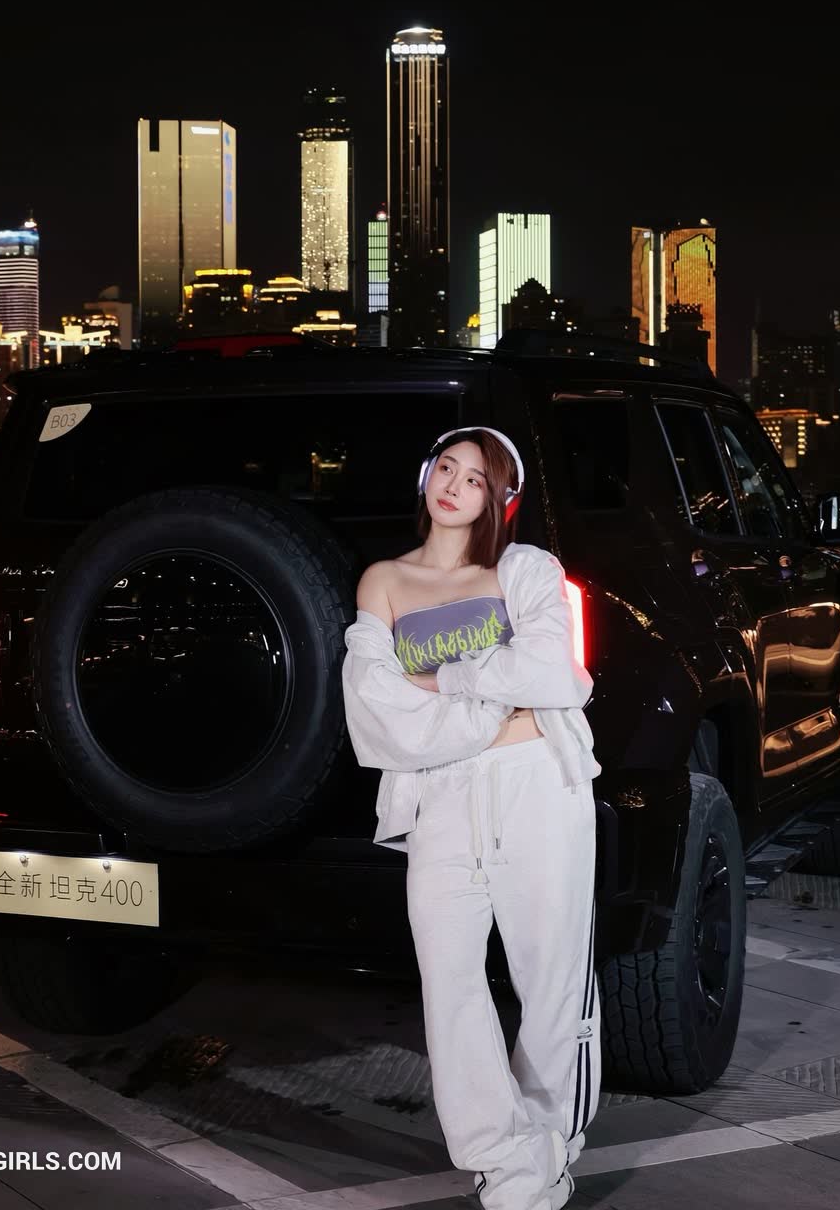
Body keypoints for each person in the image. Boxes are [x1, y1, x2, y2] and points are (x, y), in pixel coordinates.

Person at [341, 426, 602, 1210]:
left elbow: (557, 674)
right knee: (450, 985)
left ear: (501, 499)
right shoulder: (384, 580)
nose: (454, 485)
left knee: (551, 983)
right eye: (446, 467)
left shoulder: (524, 570)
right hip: (441, 799)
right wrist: (494, 700)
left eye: (476, 478)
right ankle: (510, 1157)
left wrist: (443, 679)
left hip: (537, 785)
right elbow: (374, 710)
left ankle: (545, 1158)